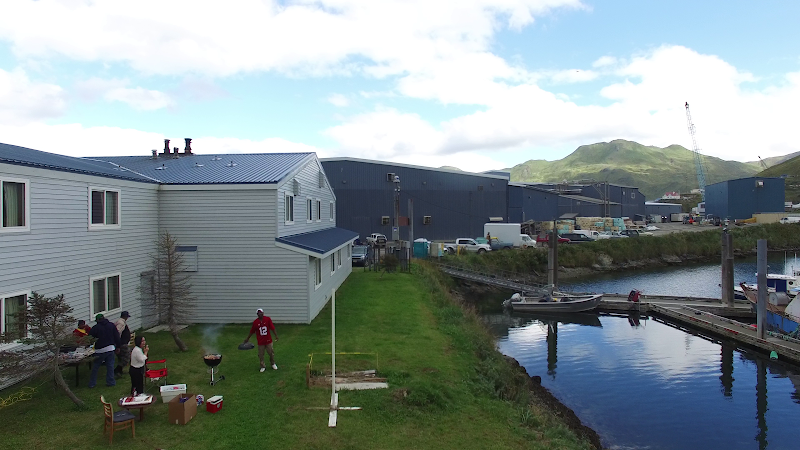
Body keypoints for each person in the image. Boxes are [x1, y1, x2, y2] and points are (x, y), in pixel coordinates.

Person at [88, 314, 121, 388]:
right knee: (110, 366)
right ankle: (110, 382)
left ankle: (92, 383)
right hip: (110, 348)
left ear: (97, 320)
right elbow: (117, 336)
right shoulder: (111, 325)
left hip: (99, 350)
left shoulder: (95, 328)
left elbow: (90, 338)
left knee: (96, 367)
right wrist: (118, 346)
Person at [114, 311, 132, 378]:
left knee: (121, 358)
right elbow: (118, 333)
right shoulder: (121, 323)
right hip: (122, 344)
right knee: (126, 358)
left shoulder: (120, 322)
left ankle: (119, 371)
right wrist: (118, 343)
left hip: (122, 343)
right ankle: (117, 370)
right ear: (125, 317)